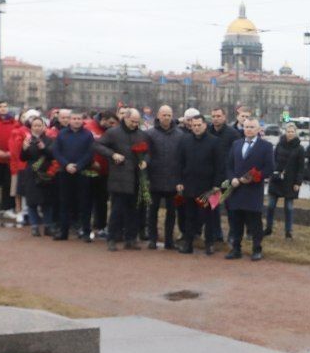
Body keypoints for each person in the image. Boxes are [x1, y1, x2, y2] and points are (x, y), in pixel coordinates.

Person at [94, 107, 148, 250]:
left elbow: (148, 152)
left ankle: (131, 238)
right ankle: (112, 238)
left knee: (134, 211)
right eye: (133, 121)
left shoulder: (141, 135)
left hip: (136, 178)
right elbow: (97, 145)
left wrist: (145, 161)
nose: (135, 124)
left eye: (137, 122)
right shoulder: (113, 133)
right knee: (117, 210)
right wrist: (112, 155)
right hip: (119, 178)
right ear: (125, 118)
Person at [223, 116, 274, 260]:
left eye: (252, 127)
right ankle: (236, 249)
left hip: (253, 191)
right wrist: (232, 178)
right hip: (236, 190)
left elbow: (269, 168)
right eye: (246, 127)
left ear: (258, 129)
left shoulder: (266, 146)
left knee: (254, 223)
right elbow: (229, 166)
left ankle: (257, 249)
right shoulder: (236, 144)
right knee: (236, 222)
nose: (249, 130)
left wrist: (252, 178)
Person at [176, 112, 227, 255]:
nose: (197, 128)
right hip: (189, 185)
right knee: (189, 216)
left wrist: (217, 185)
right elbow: (180, 162)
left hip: (210, 186)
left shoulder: (215, 142)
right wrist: (179, 181)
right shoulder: (185, 140)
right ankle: (188, 243)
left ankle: (209, 244)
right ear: (190, 126)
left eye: (199, 125)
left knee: (209, 217)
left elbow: (220, 166)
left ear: (205, 125)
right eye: (194, 125)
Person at [145, 105, 184, 250]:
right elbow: (146, 155)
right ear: (158, 116)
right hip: (154, 179)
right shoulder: (149, 134)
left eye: (169, 115)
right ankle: (152, 239)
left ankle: (169, 240)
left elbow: (182, 159)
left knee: (171, 213)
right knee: (152, 211)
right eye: (164, 115)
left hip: (173, 181)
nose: (166, 118)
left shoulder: (180, 135)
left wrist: (180, 179)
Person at [51, 110, 94, 241]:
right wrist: (66, 165)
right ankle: (64, 232)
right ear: (69, 120)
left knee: (84, 204)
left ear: (83, 120)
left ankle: (86, 232)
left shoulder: (88, 135)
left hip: (82, 173)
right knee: (64, 203)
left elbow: (90, 153)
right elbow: (56, 151)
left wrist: (78, 166)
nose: (76, 121)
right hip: (65, 172)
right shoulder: (62, 134)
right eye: (74, 118)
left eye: (79, 119)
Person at [208, 106, 241, 244]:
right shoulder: (208, 131)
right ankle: (217, 234)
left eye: (218, 116)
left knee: (230, 208)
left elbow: (238, 155)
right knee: (213, 207)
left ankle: (233, 234)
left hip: (227, 178)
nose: (216, 119)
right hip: (212, 178)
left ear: (224, 117)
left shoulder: (233, 134)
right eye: (214, 116)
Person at [264, 121, 304, 238]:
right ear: (285, 132)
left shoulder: (300, 149)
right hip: (276, 180)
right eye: (288, 131)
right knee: (271, 206)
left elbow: (301, 168)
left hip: (290, 182)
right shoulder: (279, 145)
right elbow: (273, 160)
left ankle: (288, 231)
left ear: (296, 133)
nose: (290, 134)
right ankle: (268, 228)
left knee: (289, 207)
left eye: (292, 132)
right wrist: (273, 172)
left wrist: (298, 182)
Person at [18, 116, 55, 236]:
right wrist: (24, 148)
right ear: (31, 127)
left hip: (45, 173)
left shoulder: (49, 140)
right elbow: (23, 158)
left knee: (47, 202)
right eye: (35, 125)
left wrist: (43, 148)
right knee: (32, 202)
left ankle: (47, 226)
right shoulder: (27, 139)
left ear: (44, 127)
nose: (37, 128)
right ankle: (34, 226)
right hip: (31, 173)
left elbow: (52, 155)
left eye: (40, 125)